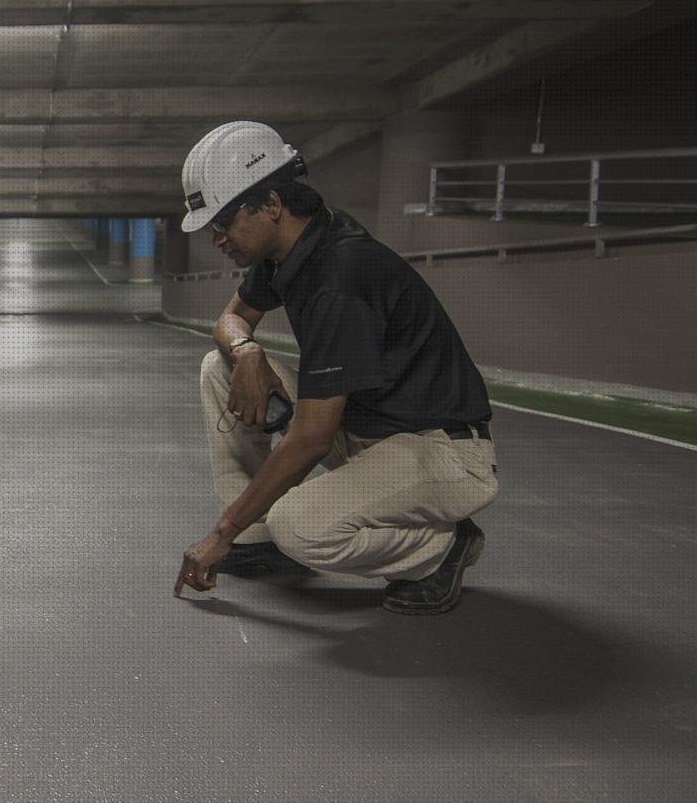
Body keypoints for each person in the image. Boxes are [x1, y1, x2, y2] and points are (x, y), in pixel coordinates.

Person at [172, 122, 497, 614]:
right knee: (219, 367)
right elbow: (232, 319)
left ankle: (439, 548)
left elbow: (311, 440)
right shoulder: (292, 251)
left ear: (272, 205)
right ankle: (257, 538)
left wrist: (219, 534)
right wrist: (246, 352)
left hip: (441, 451)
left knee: (300, 527)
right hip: (371, 428)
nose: (217, 238)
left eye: (223, 222)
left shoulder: (341, 276)